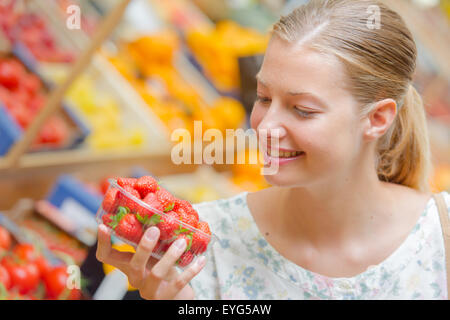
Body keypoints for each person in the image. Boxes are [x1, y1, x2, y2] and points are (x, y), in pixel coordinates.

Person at [95, 0, 450, 300]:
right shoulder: (203, 245)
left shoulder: (441, 237)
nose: (264, 127)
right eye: (264, 97)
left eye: (303, 110)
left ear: (376, 118)